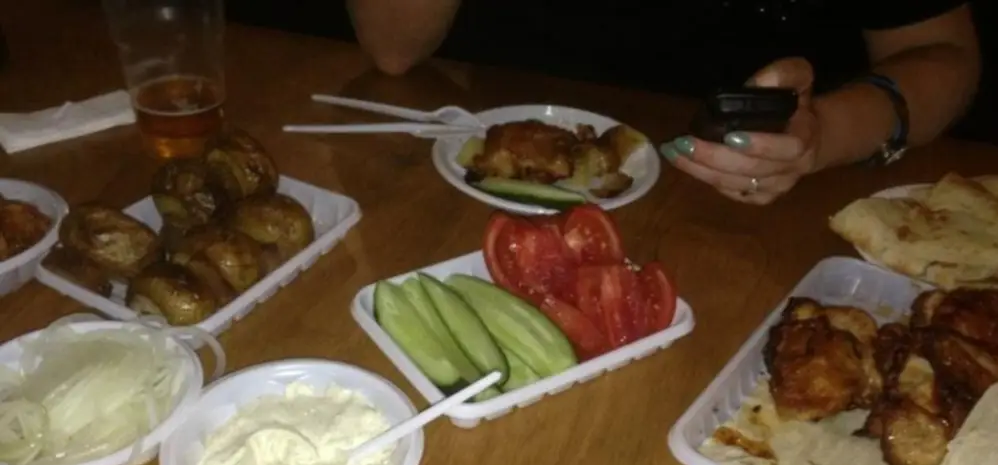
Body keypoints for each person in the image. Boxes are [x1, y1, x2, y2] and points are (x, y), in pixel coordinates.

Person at [343, 0, 981, 204]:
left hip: (756, 224)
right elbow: (392, 44)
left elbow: (945, 55)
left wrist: (826, 132)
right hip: (474, 192)